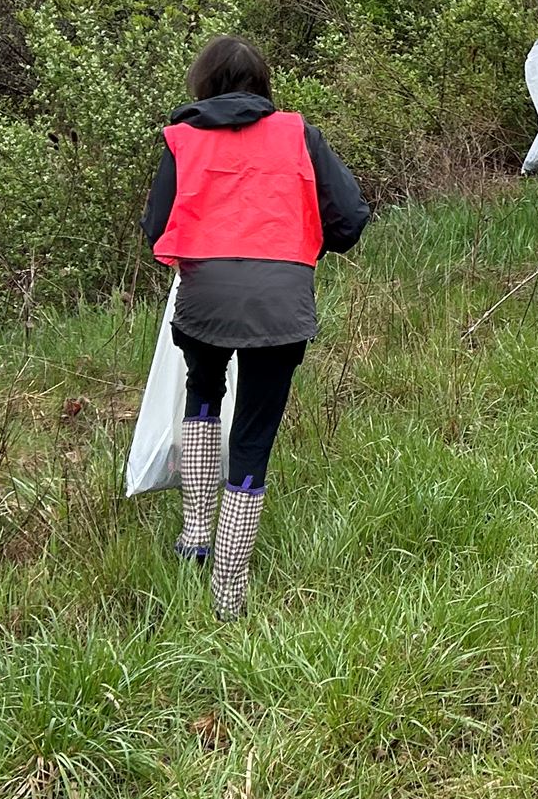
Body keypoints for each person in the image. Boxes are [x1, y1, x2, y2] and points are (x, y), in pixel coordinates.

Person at [143, 33, 370, 621]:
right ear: (262, 85)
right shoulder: (299, 135)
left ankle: (195, 533)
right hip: (280, 300)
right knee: (253, 437)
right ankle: (229, 595)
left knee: (202, 393)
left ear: (203, 84)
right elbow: (348, 220)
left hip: (206, 297)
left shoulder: (181, 140)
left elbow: (155, 228)